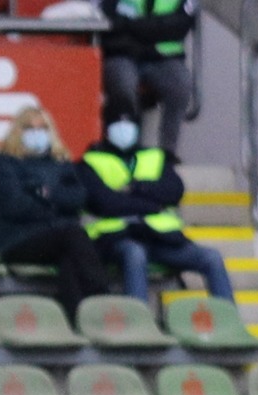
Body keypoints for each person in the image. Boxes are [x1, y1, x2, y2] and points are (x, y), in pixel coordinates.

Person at [79, 110, 235, 302]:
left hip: (160, 238)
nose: (123, 130)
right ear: (106, 130)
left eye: (128, 125)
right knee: (135, 254)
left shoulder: (155, 157)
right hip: (117, 238)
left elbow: (175, 191)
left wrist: (135, 187)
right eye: (116, 125)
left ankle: (229, 321)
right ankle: (140, 323)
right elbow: (105, 203)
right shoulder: (90, 162)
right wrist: (152, 202)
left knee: (212, 258)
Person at [0, 107, 111, 321]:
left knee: (69, 259)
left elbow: (78, 198)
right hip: (19, 240)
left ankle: (78, 319)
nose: (37, 133)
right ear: (18, 131)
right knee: (72, 234)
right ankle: (103, 296)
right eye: (30, 128)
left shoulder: (60, 160)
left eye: (43, 128)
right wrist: (57, 205)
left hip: (58, 239)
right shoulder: (6, 162)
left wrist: (45, 194)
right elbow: (15, 206)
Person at [100, 0, 198, 157]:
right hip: (123, 53)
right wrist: (154, 27)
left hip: (163, 58)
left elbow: (179, 26)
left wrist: (132, 25)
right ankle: (123, 147)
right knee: (122, 83)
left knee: (181, 85)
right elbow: (109, 22)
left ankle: (168, 153)